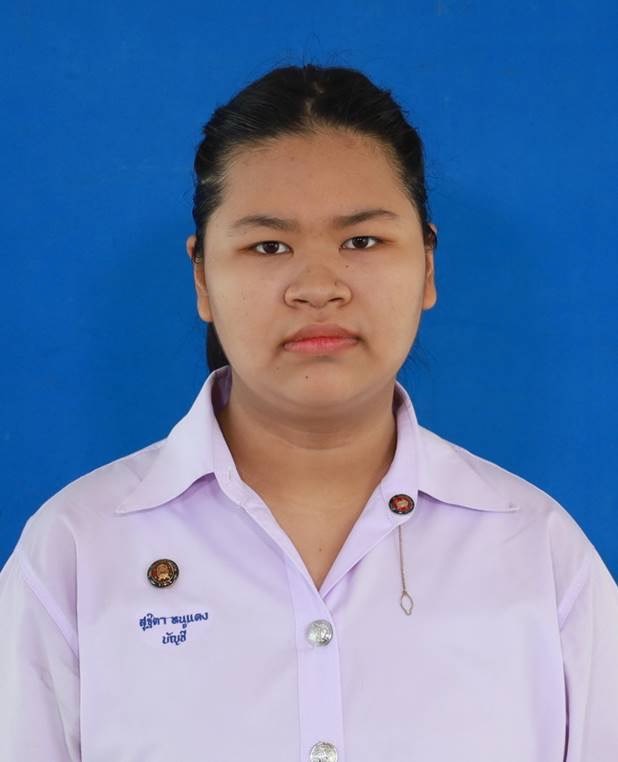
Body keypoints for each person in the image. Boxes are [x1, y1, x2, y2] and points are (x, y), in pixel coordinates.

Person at [0, 63, 616, 762]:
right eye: (269, 246)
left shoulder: (537, 552)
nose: (318, 287)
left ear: (428, 266)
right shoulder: (76, 551)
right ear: (201, 277)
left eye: (361, 241)